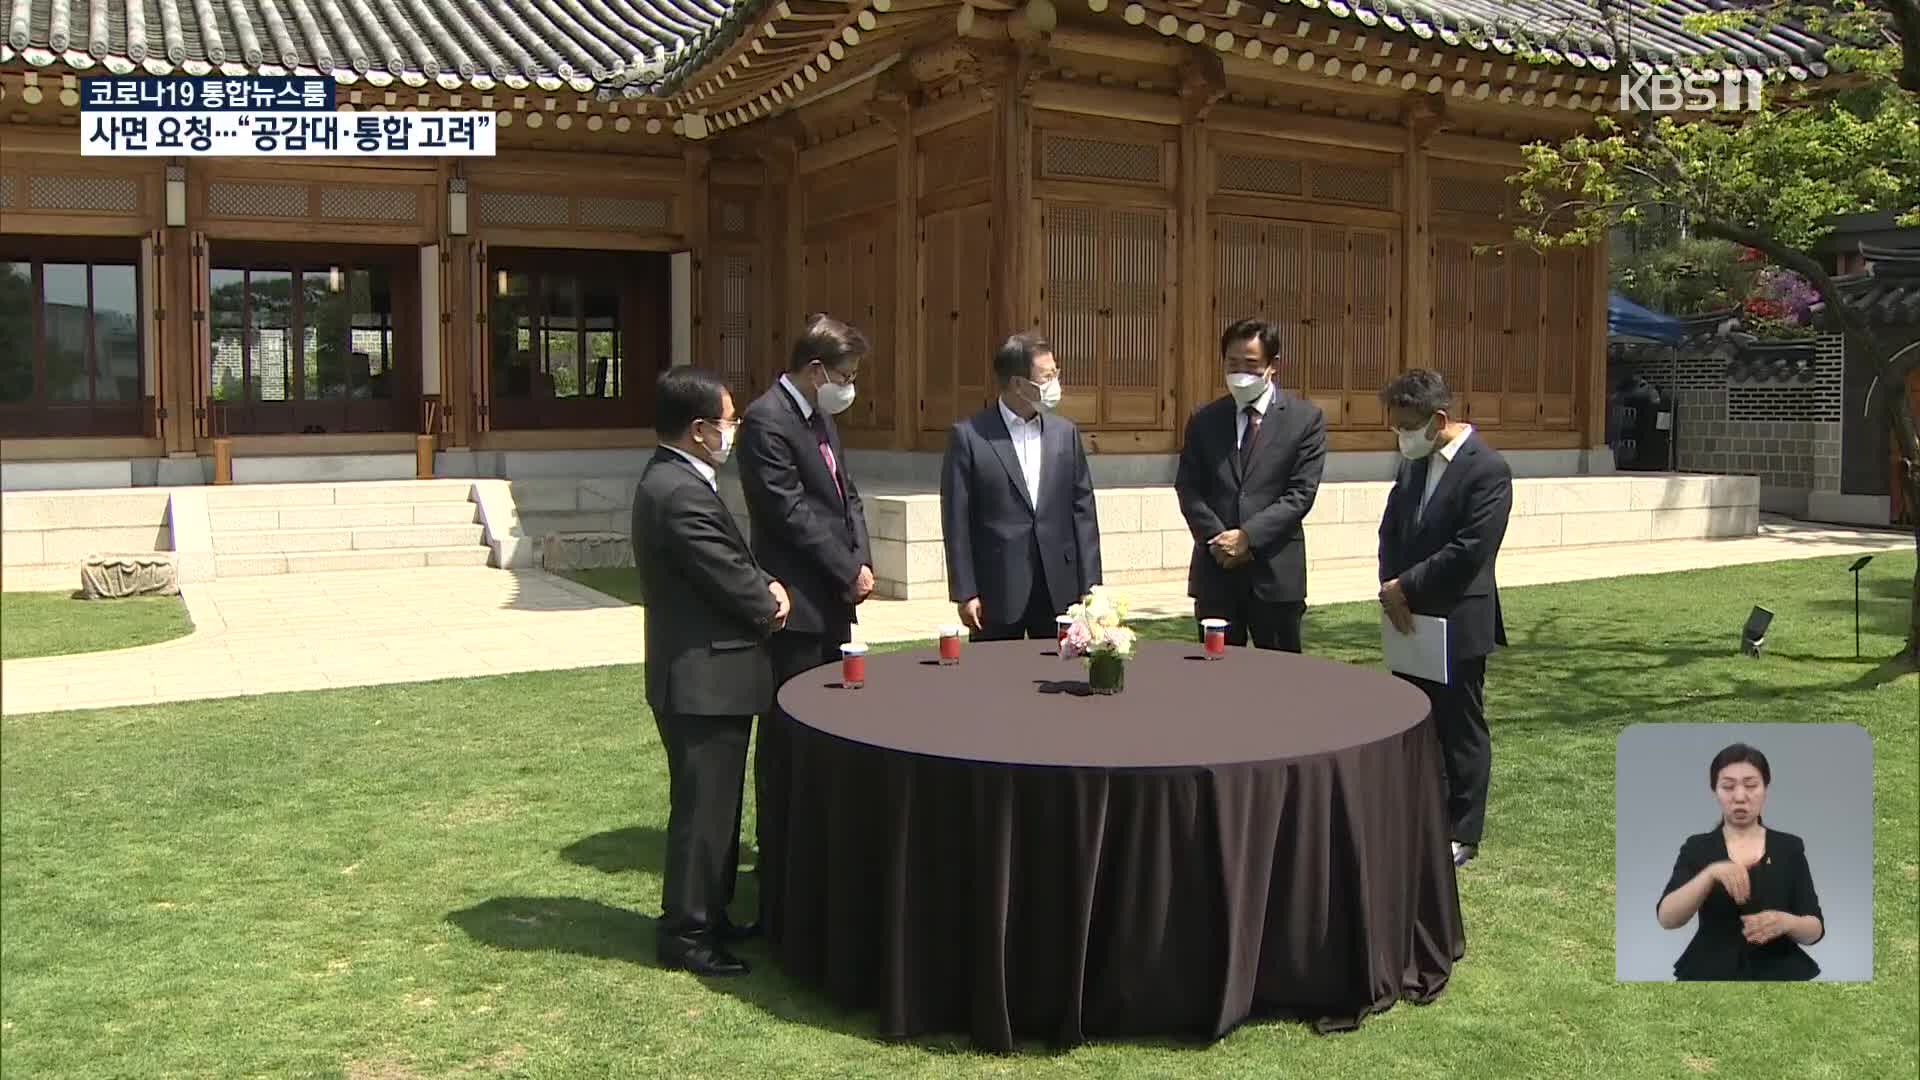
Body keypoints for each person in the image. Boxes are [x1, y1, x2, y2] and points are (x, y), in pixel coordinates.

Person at [631, 367, 791, 977]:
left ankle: (713, 913)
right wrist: (770, 597)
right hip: (701, 681)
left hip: (711, 677)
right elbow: (726, 572)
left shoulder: (684, 480)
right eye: (729, 419)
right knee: (702, 813)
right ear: (699, 430)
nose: (735, 429)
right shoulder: (676, 492)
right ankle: (688, 935)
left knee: (719, 811)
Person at [736, 312, 875, 946]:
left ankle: (823, 846)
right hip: (797, 605)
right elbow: (789, 513)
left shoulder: (820, 419)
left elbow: (846, 497)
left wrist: (863, 558)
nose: (850, 388)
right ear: (815, 370)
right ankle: (780, 854)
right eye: (844, 376)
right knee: (789, 733)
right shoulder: (767, 421)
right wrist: (846, 567)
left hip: (835, 598)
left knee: (833, 722)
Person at [1377, 368, 1512, 869]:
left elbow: (1471, 547)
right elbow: (1391, 529)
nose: (1401, 436)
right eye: (1394, 426)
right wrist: (1391, 588)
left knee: (1460, 725)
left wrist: (1405, 586)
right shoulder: (1412, 464)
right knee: (1415, 719)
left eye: (1407, 425)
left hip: (1457, 617)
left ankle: (1463, 829)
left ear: (1438, 419)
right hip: (1407, 616)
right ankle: (1420, 810)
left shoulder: (1487, 469)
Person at [1174, 317, 1327, 652]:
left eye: (1251, 364)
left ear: (1274, 365)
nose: (1240, 372)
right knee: (1216, 679)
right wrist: (1219, 538)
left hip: (1275, 576)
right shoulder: (1204, 420)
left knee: (1281, 682)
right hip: (1216, 574)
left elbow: (1300, 494)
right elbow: (1188, 487)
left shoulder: (1304, 420)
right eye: (1232, 363)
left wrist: (1248, 537)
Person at [940, 332, 1102, 639]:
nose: (1055, 383)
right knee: (995, 681)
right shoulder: (970, 436)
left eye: (1056, 373)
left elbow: (1084, 511)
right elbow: (956, 521)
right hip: (997, 588)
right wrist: (964, 591)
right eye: (1047, 376)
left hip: (1058, 586)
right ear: (1018, 384)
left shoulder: (1065, 433)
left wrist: (1090, 586)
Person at [1655, 743, 1825, 980]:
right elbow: (1667, 918)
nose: (1739, 797)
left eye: (1751, 785)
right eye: (1728, 786)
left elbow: (1814, 928)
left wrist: (1786, 922)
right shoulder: (1698, 847)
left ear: (1765, 788)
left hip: (1781, 971)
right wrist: (1710, 874)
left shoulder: (1789, 847)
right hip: (1708, 971)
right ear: (1715, 790)